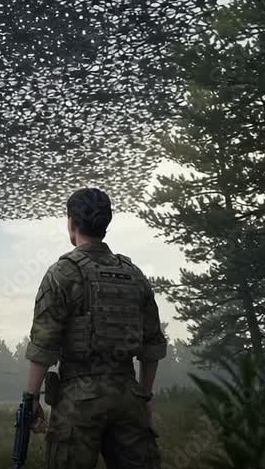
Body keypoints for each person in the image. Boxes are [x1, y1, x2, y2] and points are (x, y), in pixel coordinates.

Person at [23, 187, 167, 469]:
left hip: (78, 398)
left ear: (72, 223)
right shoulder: (133, 273)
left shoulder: (62, 272)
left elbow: (44, 345)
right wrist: (144, 396)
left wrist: (31, 399)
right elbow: (152, 346)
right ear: (105, 224)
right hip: (129, 396)